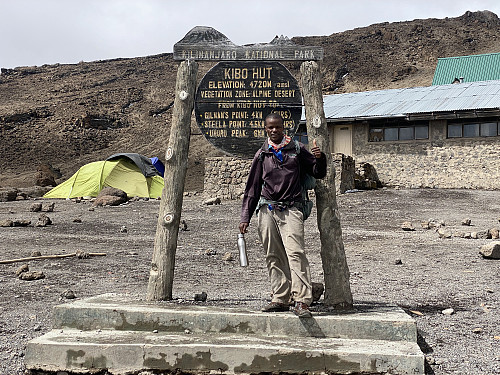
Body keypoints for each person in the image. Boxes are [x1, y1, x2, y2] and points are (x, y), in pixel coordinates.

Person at [239, 113, 327, 318]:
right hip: (267, 209)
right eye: (270, 128)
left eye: (277, 127)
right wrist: (245, 217)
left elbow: (317, 172)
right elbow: (252, 188)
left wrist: (319, 159)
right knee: (273, 254)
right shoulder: (262, 153)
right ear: (265, 129)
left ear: (283, 127)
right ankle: (280, 297)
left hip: (292, 208)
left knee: (296, 253)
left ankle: (302, 301)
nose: (274, 131)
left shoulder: (296, 150)